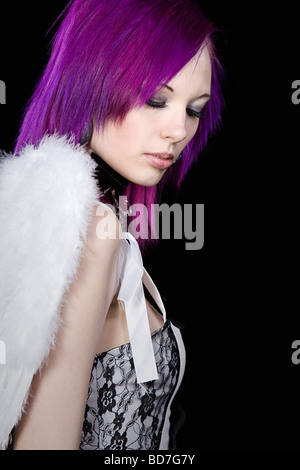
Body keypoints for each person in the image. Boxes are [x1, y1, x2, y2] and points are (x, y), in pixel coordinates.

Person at [0, 0, 223, 450]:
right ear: (91, 78)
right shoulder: (90, 232)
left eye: (194, 109)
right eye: (156, 100)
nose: (178, 129)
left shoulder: (65, 218)